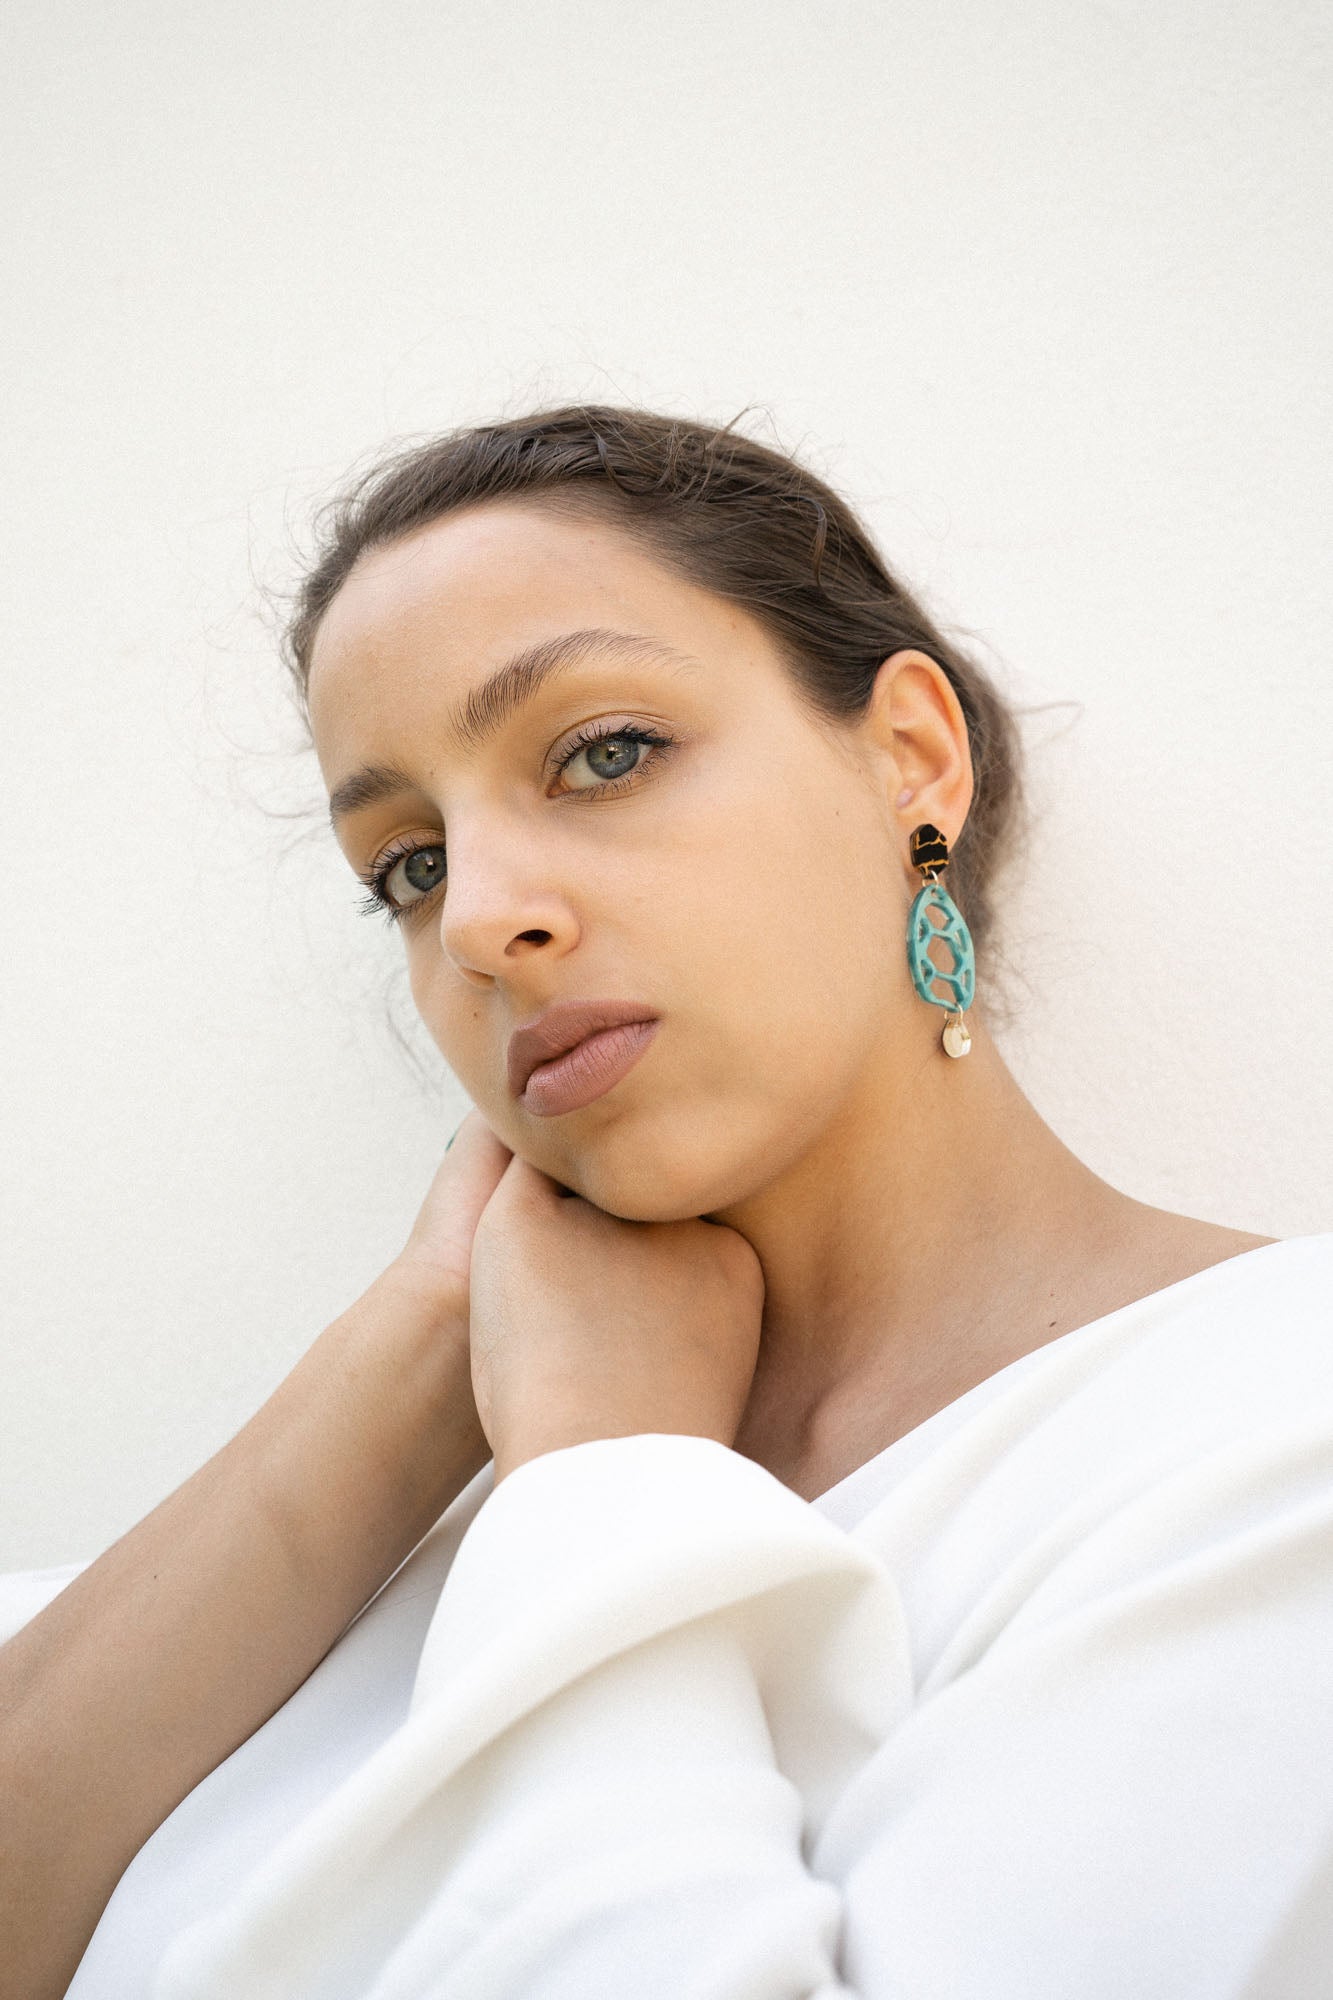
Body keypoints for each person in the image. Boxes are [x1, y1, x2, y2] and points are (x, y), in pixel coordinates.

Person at [2, 405, 1330, 2000]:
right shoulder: (373, 1538)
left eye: (601, 753)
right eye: (409, 865)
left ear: (910, 758)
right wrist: (418, 1349)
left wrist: (605, 1479)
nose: (484, 919)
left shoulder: (1271, 1428)